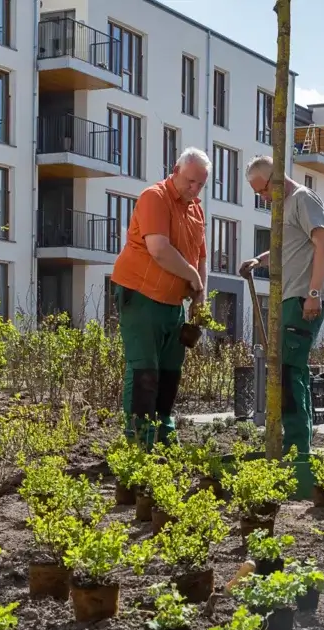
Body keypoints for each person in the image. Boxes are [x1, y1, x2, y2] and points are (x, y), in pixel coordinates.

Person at [239, 155, 324, 499]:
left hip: (302, 300)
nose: (262, 198)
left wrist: (313, 293)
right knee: (283, 375)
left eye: (262, 190)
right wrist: (259, 261)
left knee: (290, 377)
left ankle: (298, 461)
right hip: (290, 300)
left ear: (275, 179)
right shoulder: (284, 208)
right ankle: (290, 455)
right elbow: (289, 247)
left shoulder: (303, 199)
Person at [109, 147, 210, 448]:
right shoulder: (154, 197)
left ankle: (164, 431)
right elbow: (159, 249)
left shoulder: (195, 210)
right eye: (190, 181)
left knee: (169, 371)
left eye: (200, 184)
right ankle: (139, 441)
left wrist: (200, 294)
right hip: (141, 295)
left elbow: (201, 256)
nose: (194, 188)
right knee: (144, 371)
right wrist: (192, 276)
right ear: (176, 170)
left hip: (173, 304)